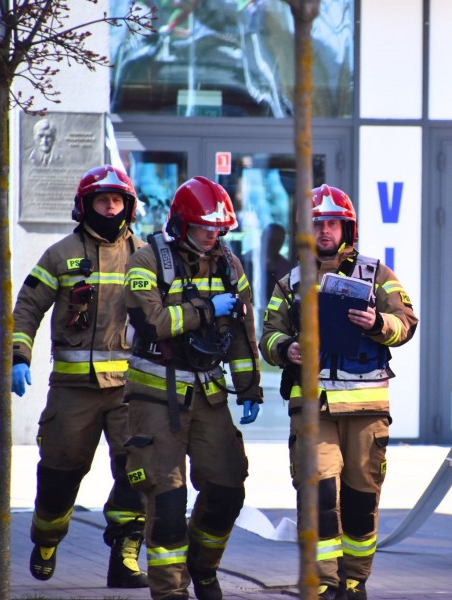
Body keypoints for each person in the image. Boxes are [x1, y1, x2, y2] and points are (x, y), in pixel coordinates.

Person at [259, 184, 418, 600]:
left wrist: (378, 324)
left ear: (348, 229)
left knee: (361, 499)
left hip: (366, 407)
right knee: (320, 495)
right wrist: (285, 348)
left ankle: (354, 581)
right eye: (318, 224)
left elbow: (406, 323)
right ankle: (326, 584)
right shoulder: (290, 282)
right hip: (313, 407)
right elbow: (268, 336)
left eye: (333, 223)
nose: (325, 231)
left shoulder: (377, 274)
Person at [122, 175, 263, 600]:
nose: (212, 235)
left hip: (209, 392)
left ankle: (202, 568)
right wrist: (204, 309)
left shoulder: (230, 265)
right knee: (167, 502)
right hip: (155, 393)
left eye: (218, 228)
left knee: (227, 489)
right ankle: (171, 591)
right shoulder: (146, 261)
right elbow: (154, 323)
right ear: (182, 224)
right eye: (204, 228)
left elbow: (241, 332)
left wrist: (249, 387)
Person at [11, 164, 149, 588]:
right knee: (59, 473)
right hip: (74, 391)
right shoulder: (60, 254)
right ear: (85, 205)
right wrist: (18, 355)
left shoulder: (145, 256)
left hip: (130, 390)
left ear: (128, 207)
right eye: (102, 200)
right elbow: (27, 308)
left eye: (117, 201)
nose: (110, 208)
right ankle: (47, 539)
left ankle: (125, 557)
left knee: (138, 472)